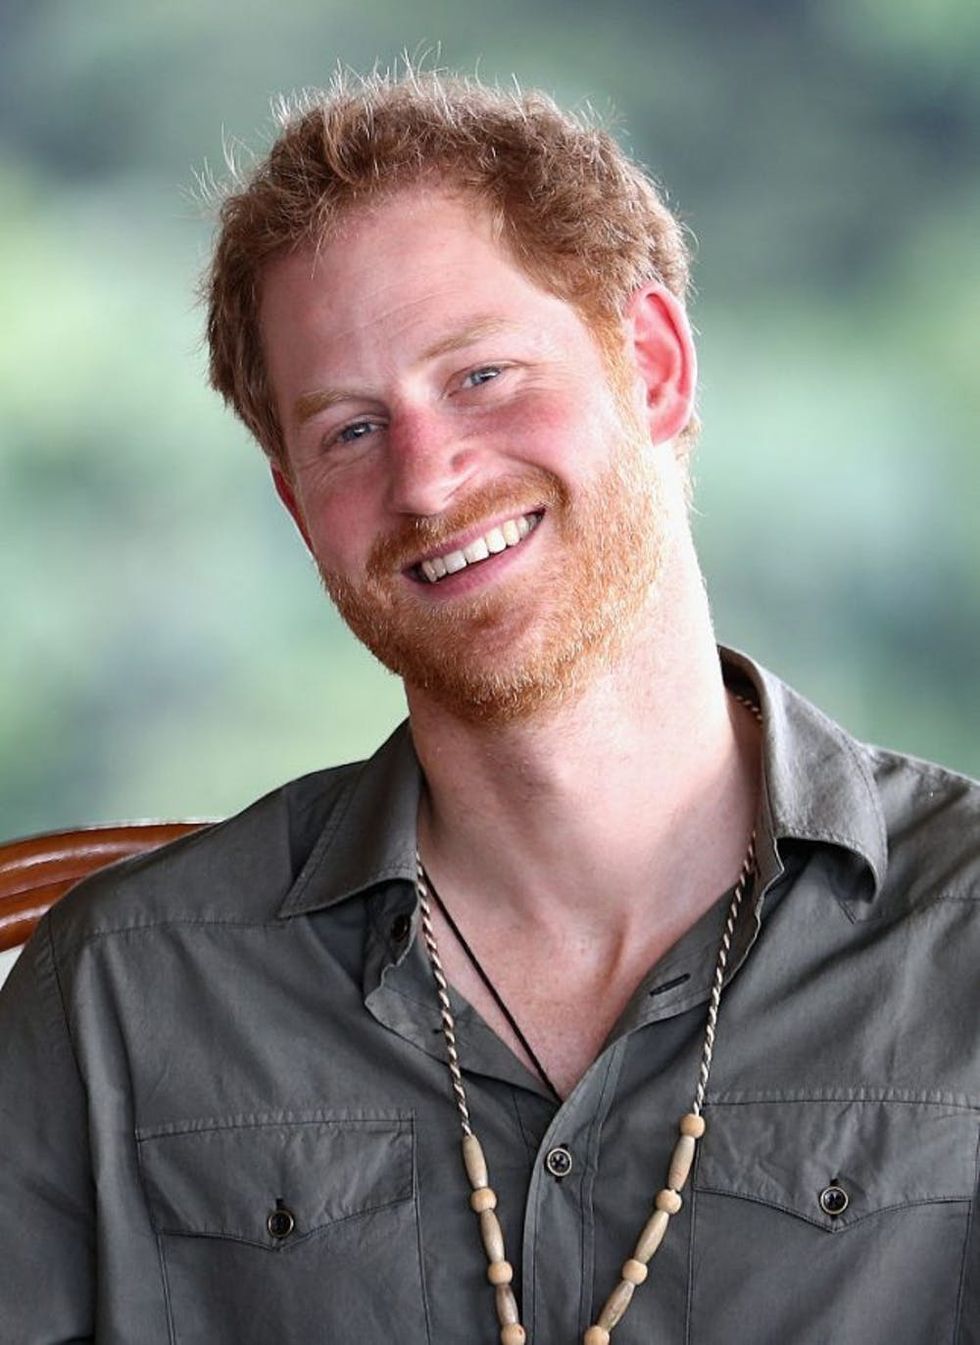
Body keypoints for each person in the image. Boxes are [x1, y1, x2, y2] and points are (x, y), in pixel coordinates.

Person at [0, 69, 977, 1345]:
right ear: (298, 508)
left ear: (657, 370)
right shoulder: (118, 999)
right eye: (348, 431)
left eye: (480, 376)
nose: (425, 479)